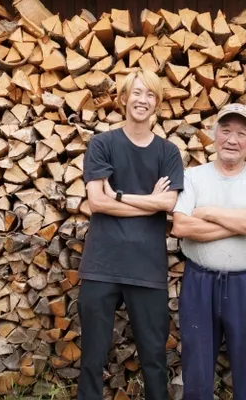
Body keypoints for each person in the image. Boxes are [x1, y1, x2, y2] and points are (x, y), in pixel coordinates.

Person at [77, 69, 184, 400]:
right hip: (102, 265)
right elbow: (96, 201)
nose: (142, 100)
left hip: (146, 269)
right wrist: (149, 203)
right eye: (136, 93)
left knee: (154, 359)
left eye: (150, 94)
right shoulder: (103, 144)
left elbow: (167, 202)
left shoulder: (168, 153)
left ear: (158, 103)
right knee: (92, 359)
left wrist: (120, 196)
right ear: (123, 99)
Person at [171, 103, 246, 400]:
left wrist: (207, 212)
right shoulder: (193, 177)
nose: (232, 139)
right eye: (226, 131)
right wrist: (239, 222)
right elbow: (181, 226)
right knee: (197, 370)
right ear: (214, 134)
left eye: (241, 133)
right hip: (199, 283)